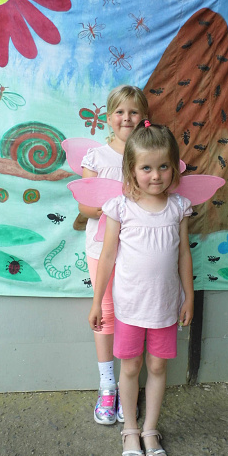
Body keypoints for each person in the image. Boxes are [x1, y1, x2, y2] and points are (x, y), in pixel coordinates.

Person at [88, 120, 194, 456]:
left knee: (158, 367)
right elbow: (107, 257)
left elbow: (184, 255)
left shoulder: (179, 207)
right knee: (131, 367)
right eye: (146, 168)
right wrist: (97, 302)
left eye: (163, 166)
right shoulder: (120, 208)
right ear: (131, 170)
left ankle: (150, 430)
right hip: (130, 308)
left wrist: (189, 297)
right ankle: (130, 430)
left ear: (173, 167)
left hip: (165, 307)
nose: (156, 175)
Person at [79, 86, 148, 426]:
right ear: (109, 118)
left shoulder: (148, 154)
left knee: (133, 313)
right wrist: (116, 207)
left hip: (139, 250)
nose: (126, 118)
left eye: (133, 112)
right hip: (101, 250)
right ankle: (108, 386)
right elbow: (85, 207)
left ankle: (127, 385)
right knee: (106, 313)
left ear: (143, 117)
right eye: (120, 112)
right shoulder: (96, 157)